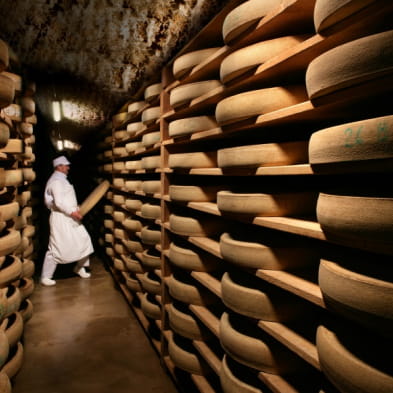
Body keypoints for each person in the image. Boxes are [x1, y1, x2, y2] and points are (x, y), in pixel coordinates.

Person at [40, 155, 94, 286]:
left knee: (84, 241)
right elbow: (58, 202)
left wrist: (76, 208)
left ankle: (79, 268)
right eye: (66, 165)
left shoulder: (62, 180)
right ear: (59, 167)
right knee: (56, 247)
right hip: (61, 218)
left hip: (70, 217)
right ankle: (46, 276)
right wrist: (72, 212)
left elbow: (66, 199)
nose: (68, 167)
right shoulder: (56, 182)